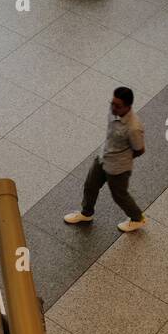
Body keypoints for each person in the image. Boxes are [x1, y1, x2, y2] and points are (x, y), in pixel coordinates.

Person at [63, 88, 146, 232]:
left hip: (118, 168)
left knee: (120, 196)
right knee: (90, 185)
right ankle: (86, 213)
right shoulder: (113, 112)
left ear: (128, 107)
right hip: (103, 157)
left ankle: (137, 218)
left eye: (117, 106)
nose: (113, 107)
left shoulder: (133, 127)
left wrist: (122, 158)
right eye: (112, 103)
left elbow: (139, 149)